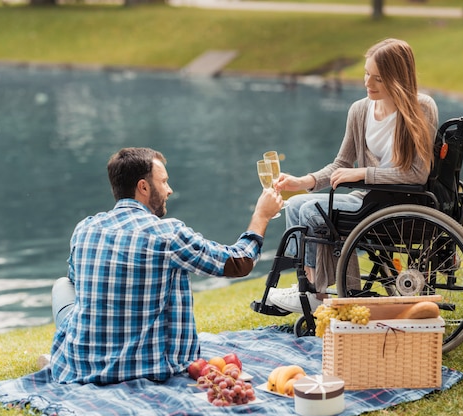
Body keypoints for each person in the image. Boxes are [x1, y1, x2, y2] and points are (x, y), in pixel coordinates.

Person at [48, 147, 283, 384]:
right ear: (143, 187)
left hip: (80, 365)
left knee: (63, 285)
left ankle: (80, 348)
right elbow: (239, 263)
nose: (169, 190)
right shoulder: (168, 234)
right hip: (149, 366)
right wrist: (261, 216)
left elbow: (77, 283)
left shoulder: (85, 228)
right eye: (164, 182)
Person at [268, 38, 439, 314]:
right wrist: (304, 182)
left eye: (378, 78)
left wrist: (364, 172)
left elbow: (418, 173)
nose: (367, 83)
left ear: (397, 79)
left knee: (313, 210)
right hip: (368, 200)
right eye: (366, 74)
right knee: (297, 203)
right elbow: (341, 163)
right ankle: (311, 285)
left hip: (401, 204)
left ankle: (321, 294)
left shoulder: (422, 108)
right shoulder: (360, 110)